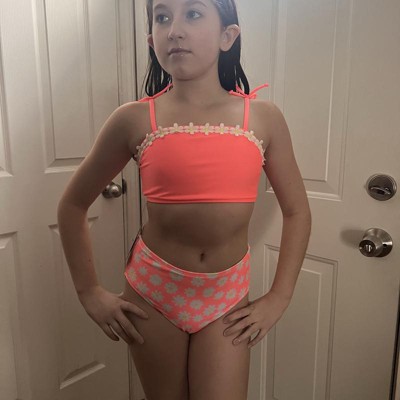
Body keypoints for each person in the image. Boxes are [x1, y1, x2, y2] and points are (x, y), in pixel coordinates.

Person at [57, 0, 312, 399]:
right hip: (153, 293)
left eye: (193, 13)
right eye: (162, 17)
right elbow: (72, 206)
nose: (174, 28)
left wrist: (279, 296)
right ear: (151, 40)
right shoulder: (134, 119)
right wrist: (89, 291)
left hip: (226, 296)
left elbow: (297, 211)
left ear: (227, 35)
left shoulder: (263, 119)